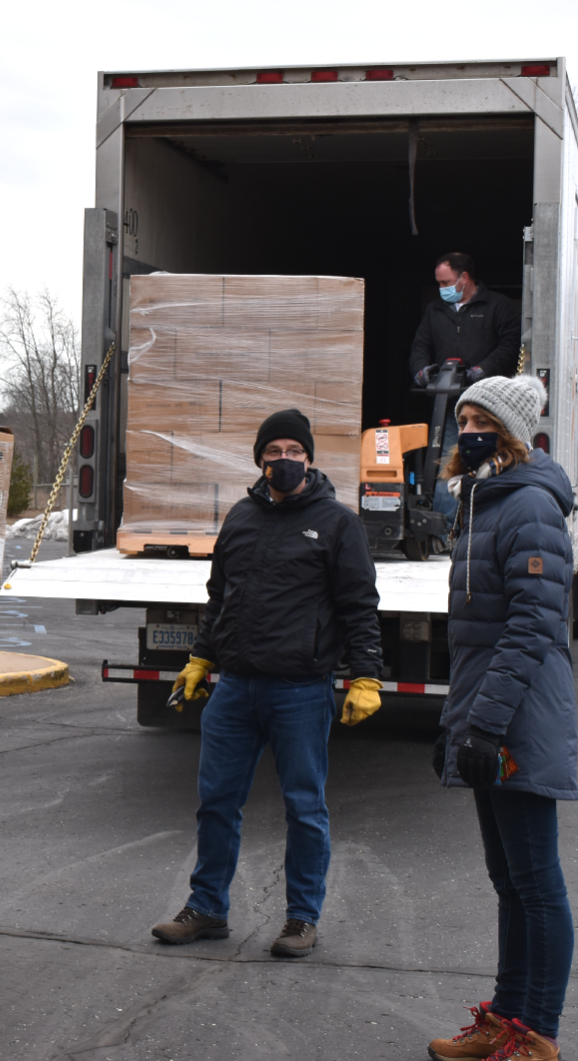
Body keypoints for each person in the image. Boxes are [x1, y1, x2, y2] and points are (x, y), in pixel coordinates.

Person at [151, 409, 384, 957]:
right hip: (234, 688)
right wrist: (200, 660)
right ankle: (206, 908)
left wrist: (366, 674)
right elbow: (219, 598)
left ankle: (301, 918)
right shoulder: (240, 517)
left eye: (294, 452)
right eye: (274, 451)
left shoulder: (336, 523)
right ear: (259, 458)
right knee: (215, 803)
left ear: (309, 458)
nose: (284, 460)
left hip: (300, 690)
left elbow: (359, 605)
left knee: (305, 808)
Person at [427, 375, 575, 1061]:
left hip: (519, 716)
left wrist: (485, 728)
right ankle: (506, 1019)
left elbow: (529, 627)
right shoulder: (482, 502)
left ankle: (536, 1034)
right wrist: (454, 727)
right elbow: (477, 638)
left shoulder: (531, 507)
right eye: (463, 417)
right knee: (508, 880)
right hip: (488, 711)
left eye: (483, 418)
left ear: (511, 432)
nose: (469, 429)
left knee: (536, 883)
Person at [409, 253, 522, 526]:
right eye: (438, 283)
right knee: (449, 457)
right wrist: (421, 370)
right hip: (449, 403)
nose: (441, 288)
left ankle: (486, 519)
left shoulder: (498, 307)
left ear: (464, 278)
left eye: (445, 282)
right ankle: (445, 523)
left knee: (487, 459)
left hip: (488, 404)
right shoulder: (435, 311)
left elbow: (509, 345)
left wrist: (483, 369)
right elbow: (420, 346)